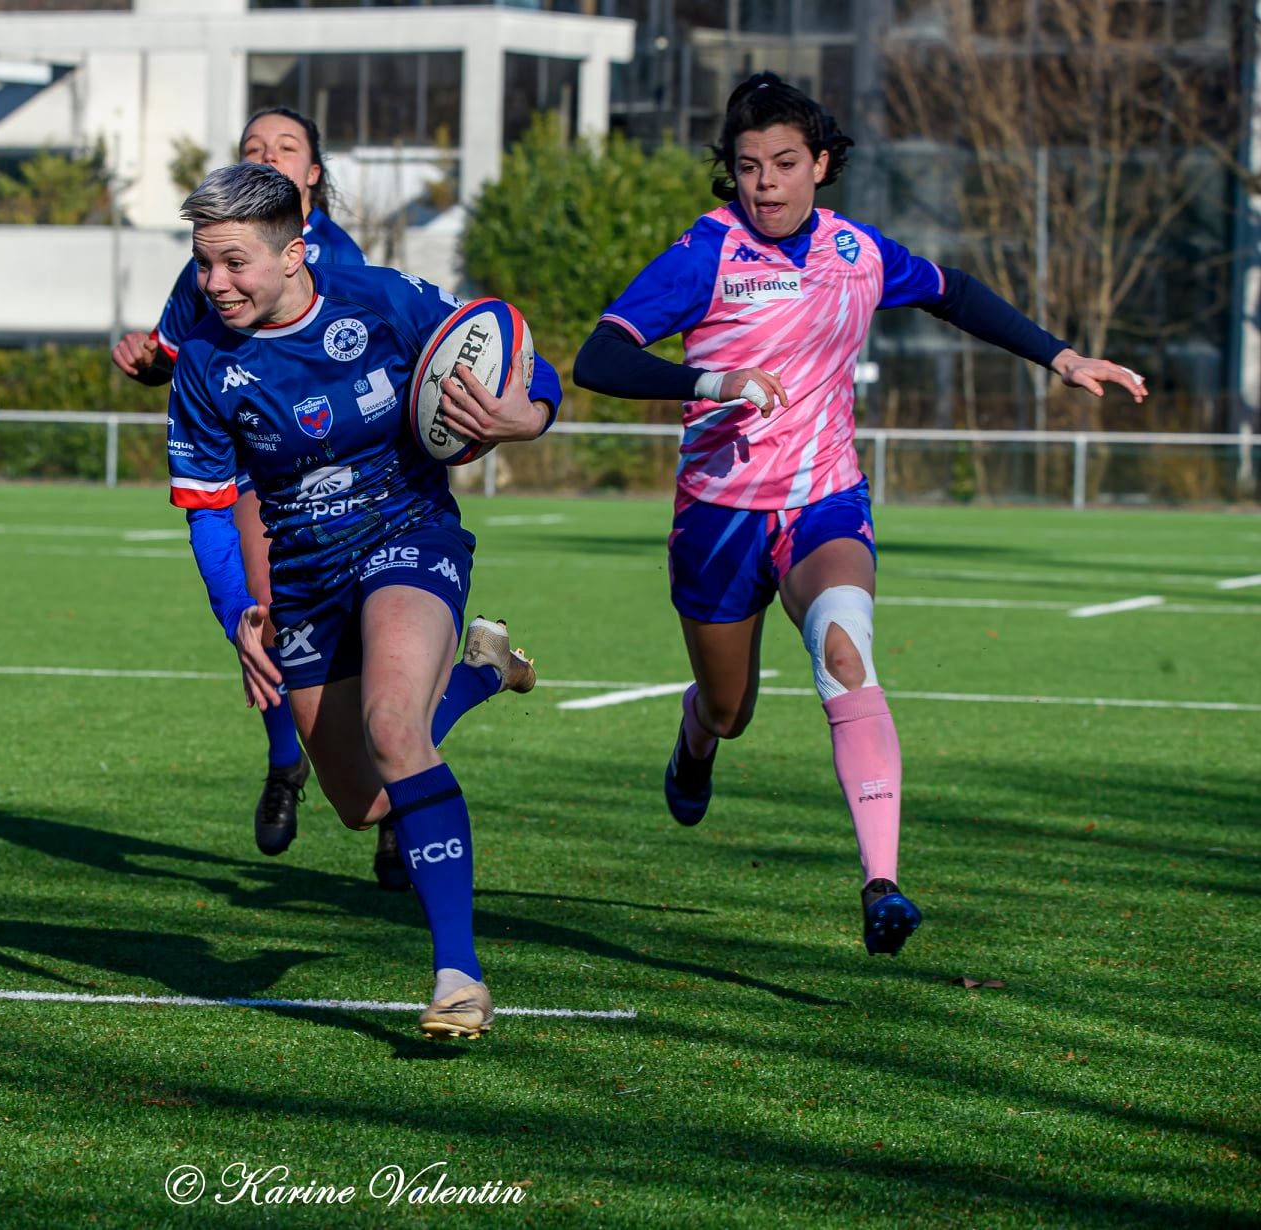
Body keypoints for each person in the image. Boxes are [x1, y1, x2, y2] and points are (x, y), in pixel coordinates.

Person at [573, 73, 1146, 956]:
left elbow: (954, 292)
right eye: (748, 165)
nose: (765, 181)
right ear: (730, 171)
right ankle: (696, 737)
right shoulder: (703, 253)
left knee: (845, 649)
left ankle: (882, 884)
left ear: (823, 164)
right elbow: (598, 358)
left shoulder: (858, 251)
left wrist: (1061, 356)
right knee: (730, 711)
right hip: (718, 516)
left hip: (824, 502)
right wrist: (709, 382)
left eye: (786, 163)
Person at [167, 162, 560, 1037]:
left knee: (393, 725)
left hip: (407, 536)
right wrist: (239, 611)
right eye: (203, 264)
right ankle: (484, 674)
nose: (215, 283)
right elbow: (203, 511)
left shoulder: (381, 300)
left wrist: (522, 418)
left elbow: (528, 364)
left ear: (294, 252)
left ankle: (458, 974)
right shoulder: (202, 360)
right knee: (363, 803)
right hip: (304, 577)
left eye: (234, 262)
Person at [112, 108, 389, 881]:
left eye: (286, 148)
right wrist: (144, 357)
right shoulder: (210, 260)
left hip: (321, 476)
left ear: (312, 178)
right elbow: (173, 353)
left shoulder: (344, 266)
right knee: (256, 614)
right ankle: (283, 761)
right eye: (252, 149)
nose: (267, 156)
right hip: (240, 466)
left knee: (363, 655)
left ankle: (390, 784)